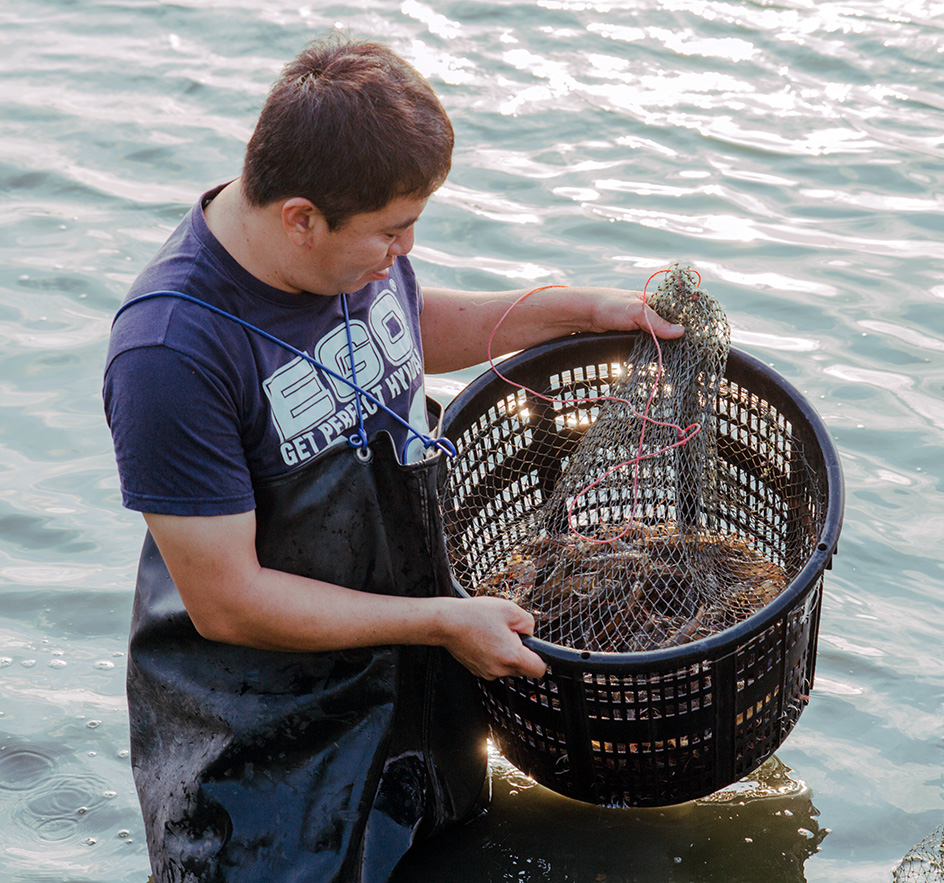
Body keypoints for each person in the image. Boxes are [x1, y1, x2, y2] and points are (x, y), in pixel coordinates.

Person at [103, 33, 683, 883]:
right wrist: (446, 621)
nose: (404, 252)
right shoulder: (170, 353)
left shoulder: (341, 257)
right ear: (301, 217)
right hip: (263, 754)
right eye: (393, 232)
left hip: (410, 704)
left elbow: (401, 333)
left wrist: (571, 310)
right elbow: (227, 602)